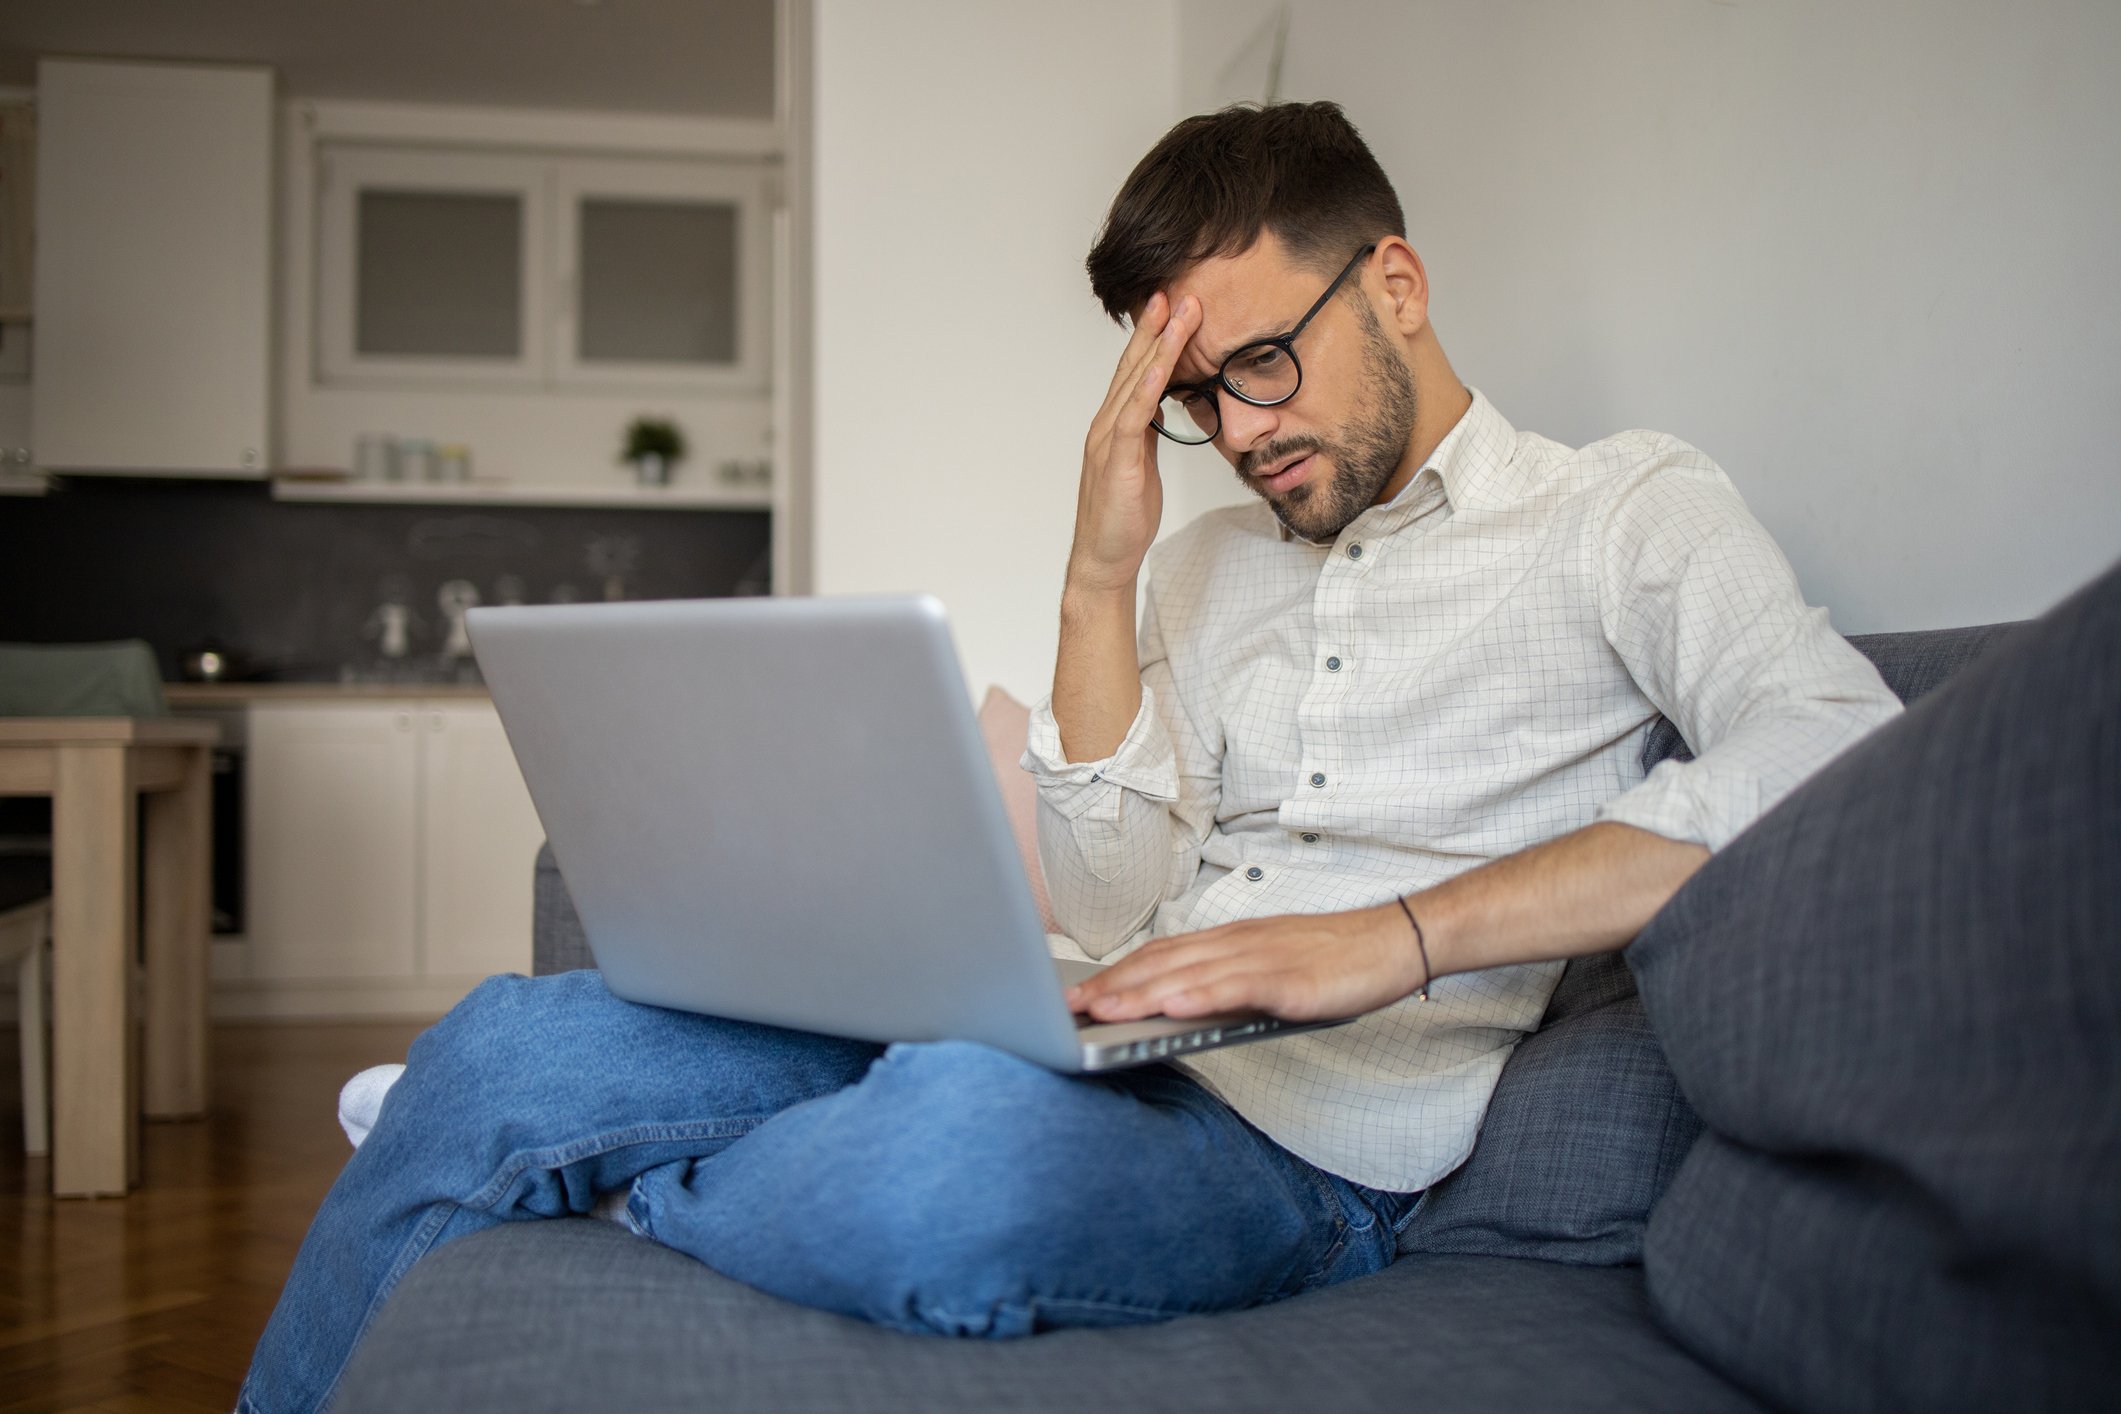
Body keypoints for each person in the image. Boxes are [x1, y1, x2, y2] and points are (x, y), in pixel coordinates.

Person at [237, 102, 1900, 1413]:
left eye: (1261, 360)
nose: (1240, 433)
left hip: (1314, 1150)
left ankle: (630, 1181)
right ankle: (597, 1138)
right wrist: (1099, 574)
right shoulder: (1198, 567)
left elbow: (1829, 748)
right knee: (501, 1048)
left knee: (952, 1152)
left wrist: (1390, 936)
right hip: (1081, 1028)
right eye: (1196, 398)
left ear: (1393, 282)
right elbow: (1110, 900)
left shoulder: (1620, 511)